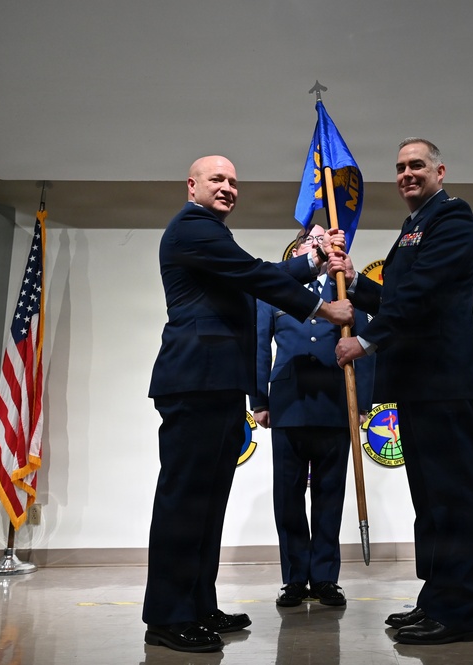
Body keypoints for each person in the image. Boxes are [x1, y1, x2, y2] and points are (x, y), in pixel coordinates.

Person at [143, 155, 354, 654]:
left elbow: (253, 277)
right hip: (193, 382)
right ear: (191, 186)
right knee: (184, 503)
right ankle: (169, 618)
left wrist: (313, 260)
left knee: (207, 505)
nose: (228, 187)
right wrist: (323, 303)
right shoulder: (193, 226)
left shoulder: (210, 234)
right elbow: (254, 275)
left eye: (234, 181)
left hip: (215, 385)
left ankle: (198, 604)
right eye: (217, 179)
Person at [330, 138, 473, 646]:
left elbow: (423, 296)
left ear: (440, 170)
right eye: (399, 168)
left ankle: (462, 611)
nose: (406, 174)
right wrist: (355, 283)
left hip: (445, 383)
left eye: (416, 165)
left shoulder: (454, 220)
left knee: (455, 499)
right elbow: (396, 296)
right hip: (419, 385)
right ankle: (438, 598)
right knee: (431, 501)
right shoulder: (413, 228)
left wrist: (367, 340)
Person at [250, 223, 375, 609]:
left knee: (329, 495)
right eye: (313, 240)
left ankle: (323, 577)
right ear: (300, 248)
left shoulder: (344, 292)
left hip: (336, 404)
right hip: (288, 403)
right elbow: (258, 346)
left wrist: (364, 404)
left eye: (326, 239)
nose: (320, 244)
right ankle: (293, 579)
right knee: (287, 496)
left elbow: (366, 344)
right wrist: (259, 401)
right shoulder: (276, 292)